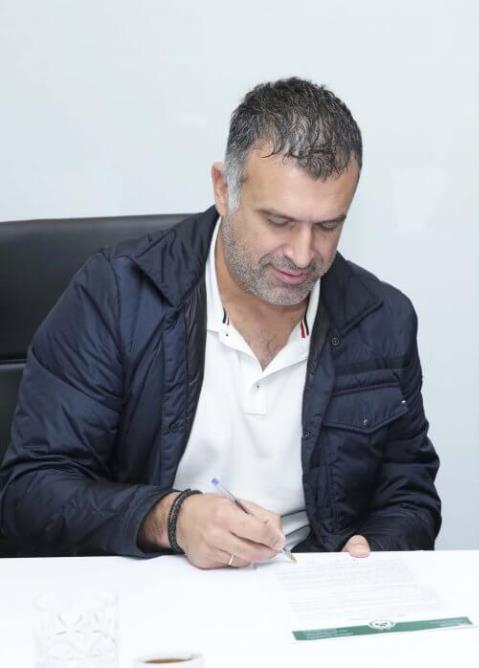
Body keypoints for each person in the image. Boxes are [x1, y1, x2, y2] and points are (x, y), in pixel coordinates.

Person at [0, 77, 441, 568]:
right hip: (155, 580)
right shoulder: (117, 295)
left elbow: (409, 494)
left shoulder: (382, 321)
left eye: (327, 226)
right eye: (278, 222)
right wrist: (171, 518)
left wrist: (375, 549)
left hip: (309, 583)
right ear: (223, 189)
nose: (302, 255)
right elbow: (31, 491)